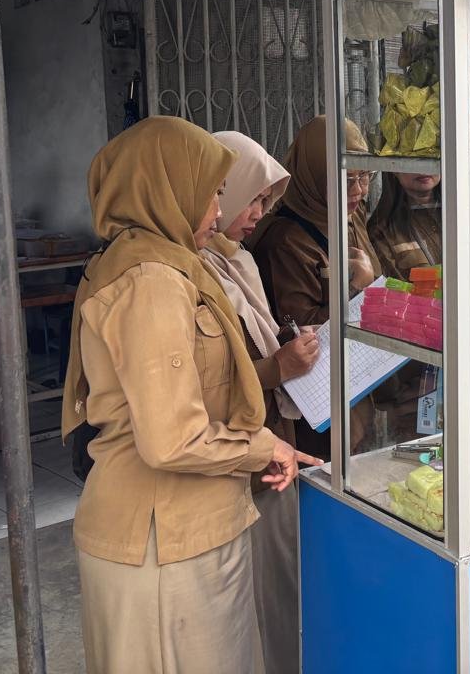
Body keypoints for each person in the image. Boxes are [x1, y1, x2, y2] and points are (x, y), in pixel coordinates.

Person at [61, 116, 312, 674]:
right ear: (166, 186)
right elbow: (171, 439)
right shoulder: (151, 281)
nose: (219, 211)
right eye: (212, 192)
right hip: (163, 536)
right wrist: (264, 446)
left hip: (184, 526)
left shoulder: (169, 264)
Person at [202, 130, 317, 674]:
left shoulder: (237, 261)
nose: (257, 213)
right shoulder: (191, 274)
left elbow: (261, 340)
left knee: (280, 581)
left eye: (266, 201)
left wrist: (290, 352)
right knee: (251, 592)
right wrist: (279, 367)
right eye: (252, 198)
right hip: (240, 453)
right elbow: (210, 381)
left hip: (274, 441)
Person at [248, 116, 382, 458]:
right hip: (315, 417)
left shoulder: (349, 217)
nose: (358, 190)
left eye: (364, 176)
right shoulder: (283, 241)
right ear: (314, 177)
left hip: (355, 396)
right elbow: (303, 336)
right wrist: (357, 288)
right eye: (346, 180)